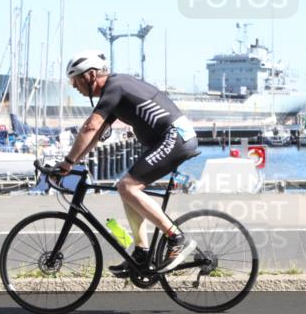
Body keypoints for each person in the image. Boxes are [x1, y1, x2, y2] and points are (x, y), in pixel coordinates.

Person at [56, 49, 199, 275]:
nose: (75, 87)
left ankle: (176, 237)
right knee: (126, 189)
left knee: (127, 186)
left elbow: (90, 127)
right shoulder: (115, 91)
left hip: (176, 137)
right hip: (169, 138)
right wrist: (72, 163)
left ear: (90, 75)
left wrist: (67, 162)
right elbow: (95, 134)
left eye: (75, 81)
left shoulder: (115, 87)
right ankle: (142, 254)